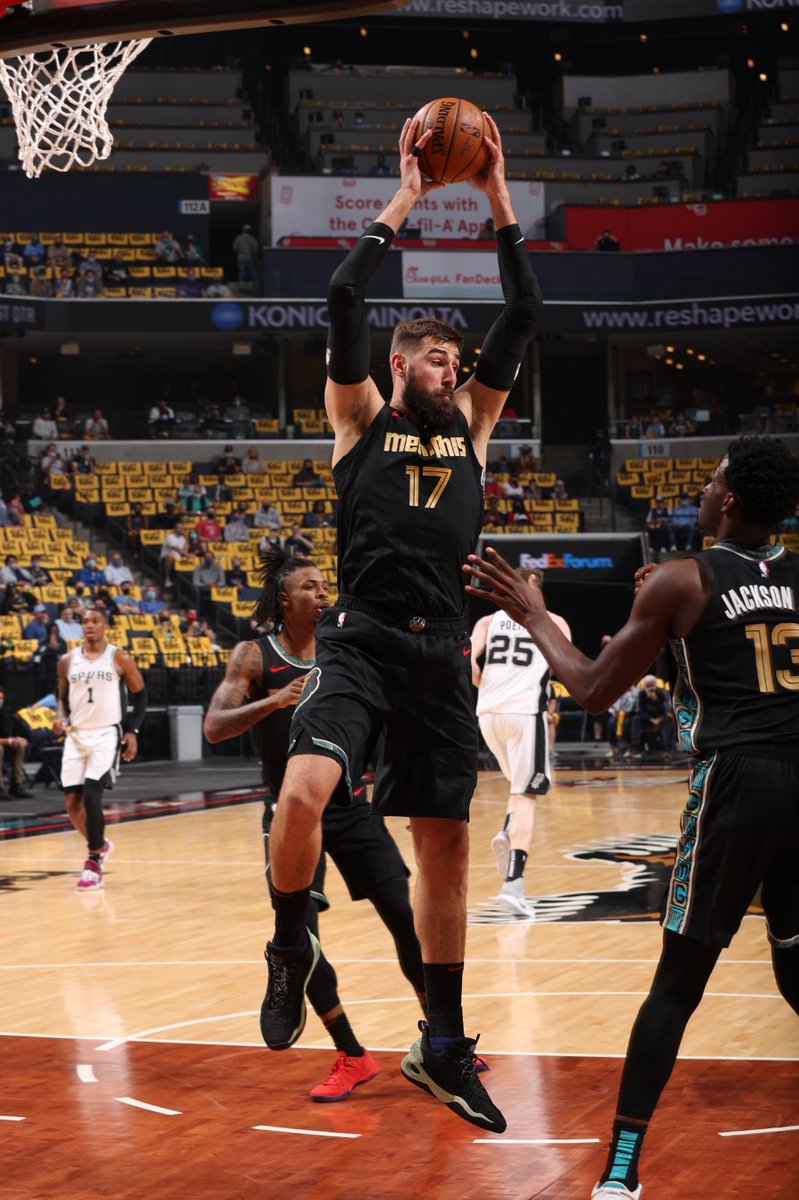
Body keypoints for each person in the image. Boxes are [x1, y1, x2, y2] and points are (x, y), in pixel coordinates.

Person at [259, 112, 541, 1135]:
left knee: (447, 852)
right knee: (302, 793)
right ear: (399, 360)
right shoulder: (359, 421)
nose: (453, 367)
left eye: (458, 358)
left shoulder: (472, 428)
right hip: (365, 637)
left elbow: (527, 308)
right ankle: (292, 942)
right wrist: (413, 197)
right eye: (436, 355)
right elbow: (341, 293)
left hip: (441, 655)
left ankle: (443, 1045)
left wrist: (499, 195)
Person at [464, 435, 799, 1199]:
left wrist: (532, 612)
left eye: (712, 484)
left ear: (730, 503)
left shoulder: (683, 580)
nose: (704, 494)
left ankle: (621, 1170)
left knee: (676, 986)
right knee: (790, 951)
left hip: (737, 786)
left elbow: (589, 688)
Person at [204, 547, 430, 1101]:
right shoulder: (255, 656)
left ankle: (443, 1041)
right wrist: (274, 702)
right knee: (304, 939)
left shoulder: (343, 650)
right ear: (285, 600)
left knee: (408, 919)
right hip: (290, 814)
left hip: (352, 806)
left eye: (326, 585)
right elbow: (213, 726)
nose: (324, 593)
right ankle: (351, 1055)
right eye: (310, 587)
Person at [470, 568, 572, 915]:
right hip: (525, 713)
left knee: (517, 787)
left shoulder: (487, 621)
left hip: (488, 713)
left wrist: (485, 685)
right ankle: (514, 885)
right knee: (528, 795)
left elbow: (466, 660)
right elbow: (567, 666)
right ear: (537, 592)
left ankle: (506, 828)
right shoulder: (553, 621)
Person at [55, 606, 147, 889]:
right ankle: (100, 843)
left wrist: (132, 730)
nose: (89, 626)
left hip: (107, 734)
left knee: (92, 795)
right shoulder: (67, 661)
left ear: (106, 625)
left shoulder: (119, 657)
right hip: (77, 735)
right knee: (72, 804)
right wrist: (60, 717)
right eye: (85, 622)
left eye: (95, 621)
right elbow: (61, 696)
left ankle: (93, 861)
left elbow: (141, 694)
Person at [628, 674, 675, 759]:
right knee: (635, 719)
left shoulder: (662, 693)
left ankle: (667, 749)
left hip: (661, 719)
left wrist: (655, 700)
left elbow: (667, 710)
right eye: (648, 686)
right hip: (647, 720)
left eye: (651, 685)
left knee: (667, 720)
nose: (650, 688)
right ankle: (635, 748)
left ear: (656, 684)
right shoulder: (642, 694)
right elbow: (640, 710)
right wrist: (651, 719)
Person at [0, 685, 33, 800]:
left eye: (1, 698)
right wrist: (9, 741)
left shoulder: (5, 712)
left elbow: (9, 732)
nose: (0, 701)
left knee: (19, 747)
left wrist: (18, 739)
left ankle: (16, 785)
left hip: (4, 745)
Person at [160, 522, 187, 587]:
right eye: (178, 528)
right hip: (166, 558)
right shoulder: (170, 537)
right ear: (175, 529)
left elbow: (185, 551)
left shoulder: (184, 539)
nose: (180, 529)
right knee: (170, 555)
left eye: (182, 528)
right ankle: (167, 579)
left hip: (178, 558)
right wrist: (187, 554)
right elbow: (175, 548)